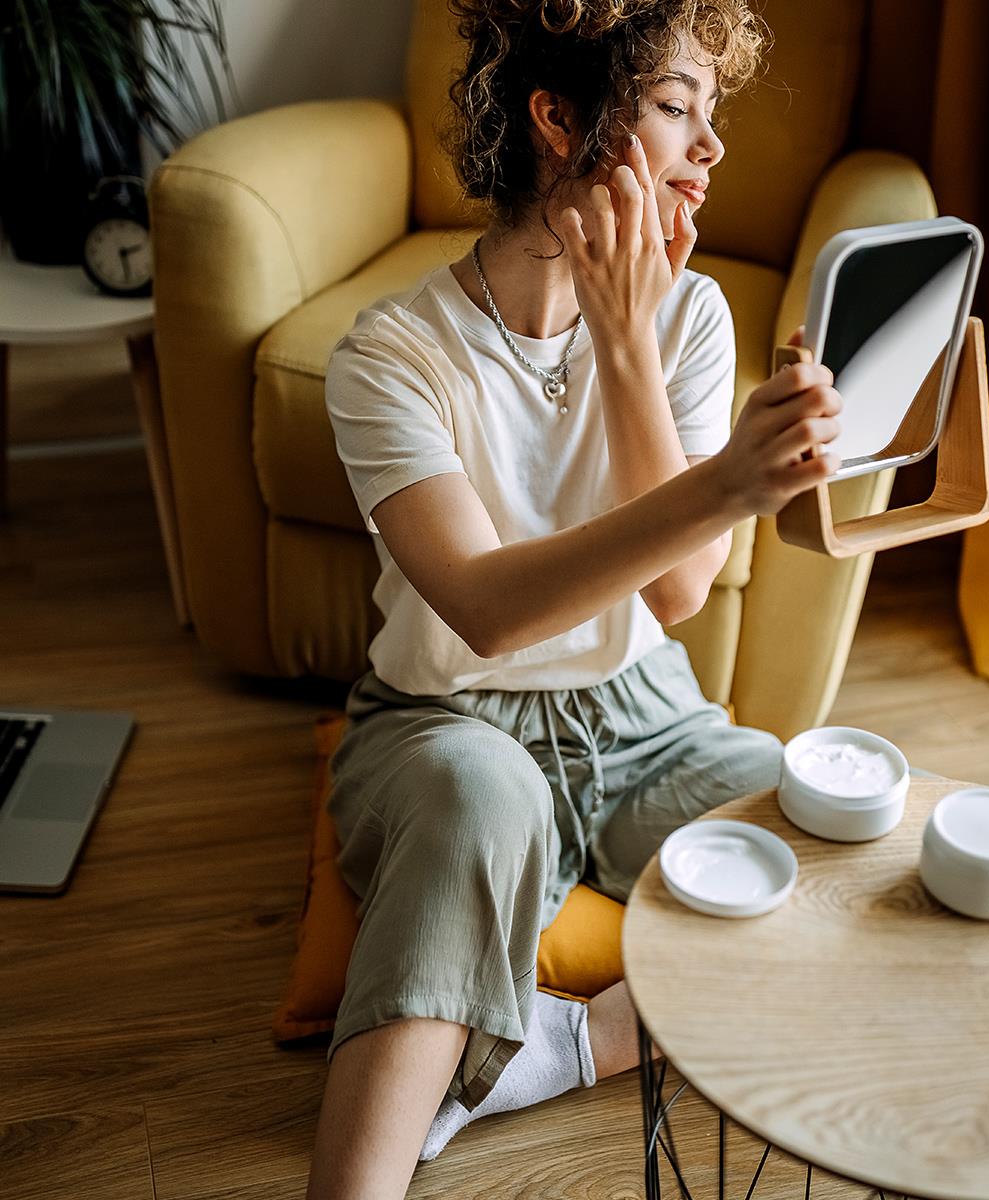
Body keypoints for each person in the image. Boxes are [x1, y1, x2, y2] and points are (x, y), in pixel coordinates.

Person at [306, 0, 842, 1195]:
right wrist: (710, 469)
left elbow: (677, 594)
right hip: (448, 718)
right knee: (477, 801)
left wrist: (625, 340)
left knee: (827, 872)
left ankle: (559, 1048)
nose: (709, 151)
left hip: (645, 711)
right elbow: (485, 612)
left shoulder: (692, 319)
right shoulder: (391, 355)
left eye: (714, 117)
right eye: (673, 111)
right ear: (558, 119)